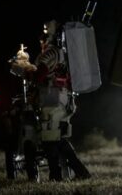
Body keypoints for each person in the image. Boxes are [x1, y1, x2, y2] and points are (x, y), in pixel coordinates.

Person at [31, 20, 91, 181]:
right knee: (56, 137)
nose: (42, 40)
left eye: (44, 37)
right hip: (64, 96)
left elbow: (39, 74)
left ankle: (73, 173)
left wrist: (25, 71)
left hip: (53, 95)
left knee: (50, 136)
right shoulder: (64, 52)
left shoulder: (52, 52)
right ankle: (62, 174)